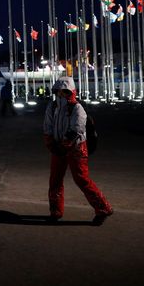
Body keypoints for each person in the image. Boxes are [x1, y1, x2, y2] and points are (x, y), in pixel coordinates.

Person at [43, 76, 113, 225]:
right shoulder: (52, 106)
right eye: (59, 91)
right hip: (58, 147)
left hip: (76, 148)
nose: (61, 94)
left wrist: (63, 145)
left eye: (65, 91)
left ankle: (103, 208)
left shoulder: (77, 108)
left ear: (70, 91)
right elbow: (47, 125)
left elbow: (77, 129)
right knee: (55, 180)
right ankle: (55, 211)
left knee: (82, 180)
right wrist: (50, 143)